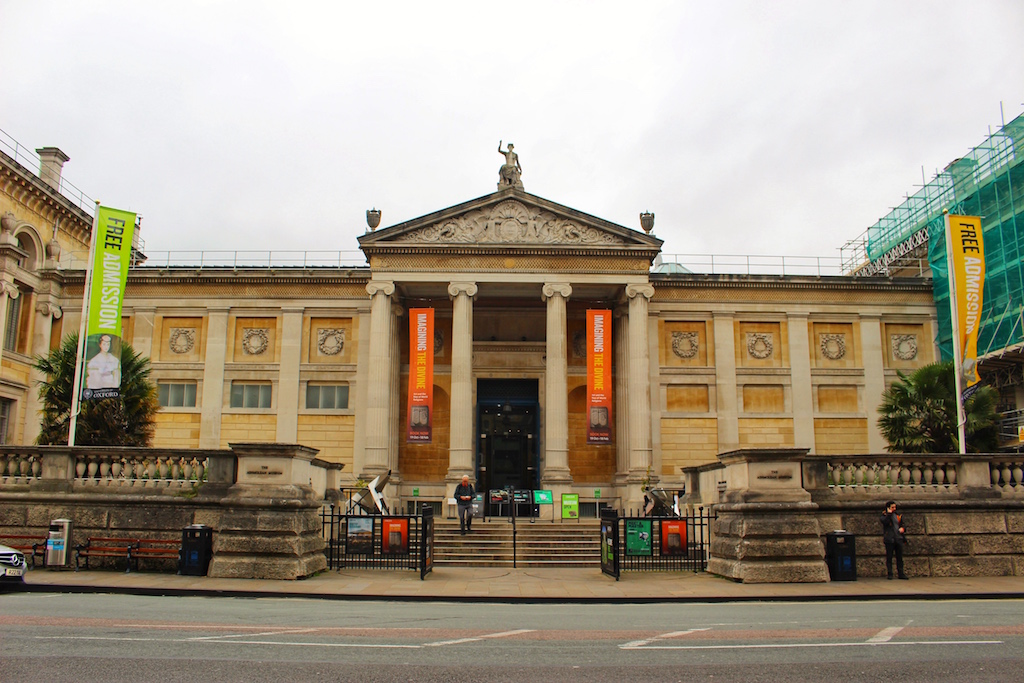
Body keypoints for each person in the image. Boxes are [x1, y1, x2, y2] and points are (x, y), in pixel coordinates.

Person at [880, 500, 908, 580]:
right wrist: (889, 514)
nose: (894, 509)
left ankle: (901, 573)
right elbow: (885, 522)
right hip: (890, 539)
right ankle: (890, 573)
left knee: (899, 557)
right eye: (892, 507)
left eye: (895, 507)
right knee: (889, 557)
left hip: (898, 538)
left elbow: (902, 524)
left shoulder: (897, 515)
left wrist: (903, 528)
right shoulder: (884, 516)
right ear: (888, 508)